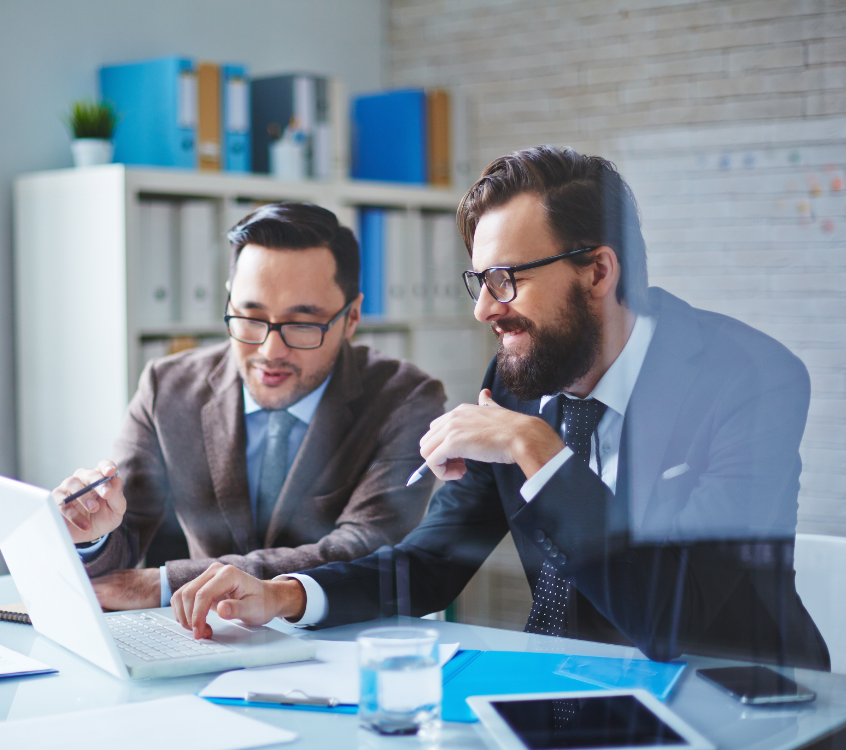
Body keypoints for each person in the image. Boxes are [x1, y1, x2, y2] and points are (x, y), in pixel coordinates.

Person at [170, 146, 830, 671]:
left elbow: (674, 616)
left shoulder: (749, 380)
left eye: (505, 279)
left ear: (597, 273)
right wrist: (286, 596)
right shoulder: (518, 381)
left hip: (743, 701)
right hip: (563, 690)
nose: (485, 308)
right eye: (479, 282)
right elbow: (430, 564)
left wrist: (538, 451)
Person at [55, 202, 446, 611]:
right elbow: (123, 538)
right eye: (250, 317)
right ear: (229, 303)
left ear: (352, 318)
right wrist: (90, 533)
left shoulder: (406, 399)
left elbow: (365, 549)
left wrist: (168, 582)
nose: (270, 350)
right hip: (205, 639)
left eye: (302, 324)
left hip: (342, 641)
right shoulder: (166, 388)